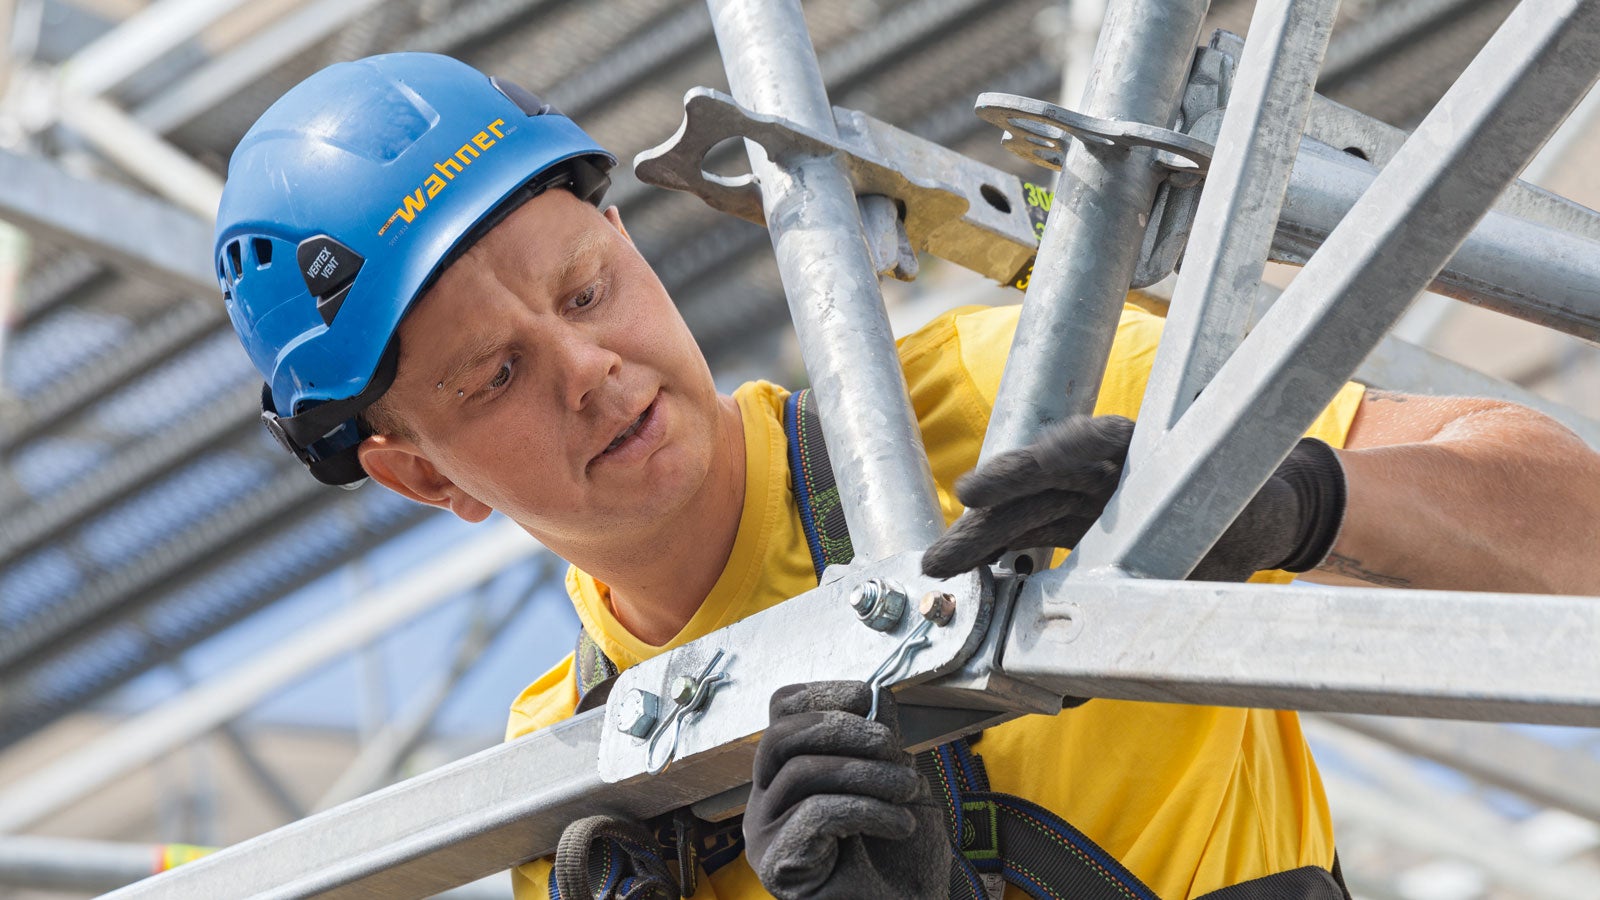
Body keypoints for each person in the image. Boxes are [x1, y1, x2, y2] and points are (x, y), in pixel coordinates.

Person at [216, 53, 1600, 899]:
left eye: (588, 289)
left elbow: (1575, 535)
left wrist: (1285, 499)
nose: (590, 368)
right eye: (494, 377)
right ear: (420, 476)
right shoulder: (587, 807)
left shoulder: (1018, 402)